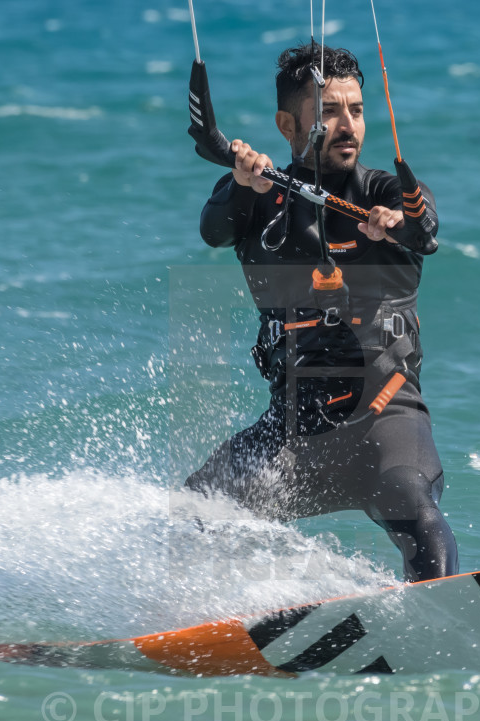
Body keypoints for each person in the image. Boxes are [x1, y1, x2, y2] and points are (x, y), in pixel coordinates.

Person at [184, 43, 458, 582]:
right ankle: (203, 625)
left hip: (386, 424)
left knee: (417, 515)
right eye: (330, 111)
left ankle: (442, 613)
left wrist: (396, 223)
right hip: (293, 435)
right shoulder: (255, 196)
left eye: (356, 110)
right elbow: (213, 230)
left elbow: (424, 227)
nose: (348, 124)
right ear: (289, 123)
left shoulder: (382, 192)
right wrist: (243, 184)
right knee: (192, 511)